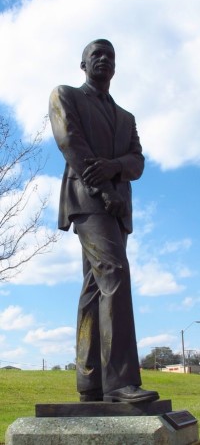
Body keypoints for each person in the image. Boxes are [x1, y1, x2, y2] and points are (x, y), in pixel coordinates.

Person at [49, 39, 159, 403]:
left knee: (96, 286)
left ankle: (90, 382)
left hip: (118, 211)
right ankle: (120, 383)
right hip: (87, 200)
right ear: (82, 64)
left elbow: (137, 162)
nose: (103, 59)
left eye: (110, 55)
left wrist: (115, 168)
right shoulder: (66, 95)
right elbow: (70, 142)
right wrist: (105, 188)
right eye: (96, 54)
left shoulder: (126, 118)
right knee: (114, 273)